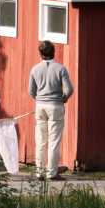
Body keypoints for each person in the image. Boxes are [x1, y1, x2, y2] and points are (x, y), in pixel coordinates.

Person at [28, 41, 73, 181]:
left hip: (40, 106)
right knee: (54, 140)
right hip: (55, 106)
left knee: (41, 140)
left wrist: (39, 99)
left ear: (40, 53)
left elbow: (31, 91)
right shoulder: (61, 69)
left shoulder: (34, 69)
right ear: (54, 52)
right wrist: (64, 98)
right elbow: (69, 89)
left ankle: (39, 172)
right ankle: (52, 173)